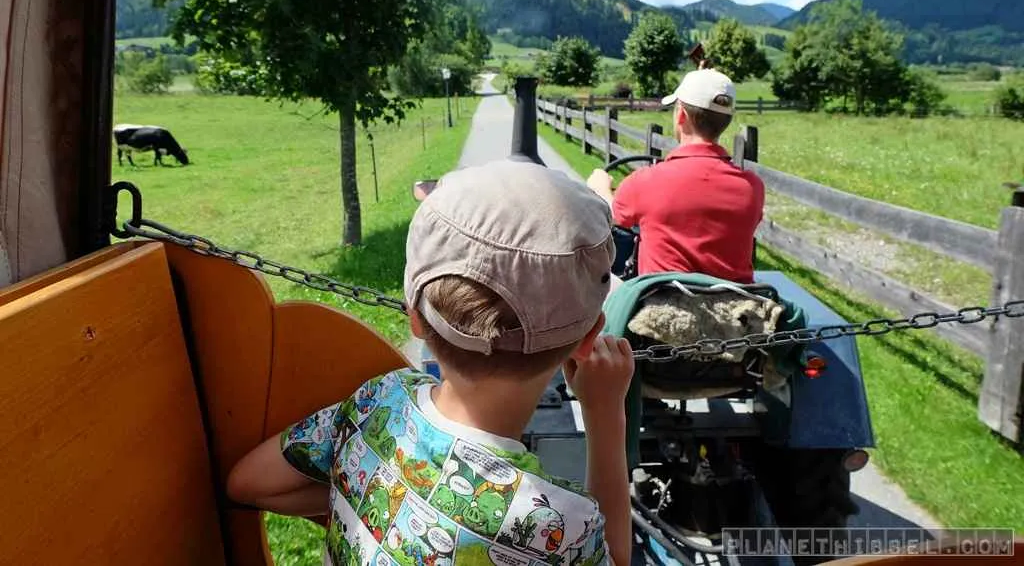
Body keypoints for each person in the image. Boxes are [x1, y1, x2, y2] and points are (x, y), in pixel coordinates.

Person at [226, 160, 635, 566]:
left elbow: (249, 484)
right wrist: (605, 415)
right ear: (588, 337)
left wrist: (377, 499)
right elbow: (615, 558)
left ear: (416, 318)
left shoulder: (379, 404)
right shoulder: (554, 523)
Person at [586, 68, 764, 284]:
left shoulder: (646, 181)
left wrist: (601, 188)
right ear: (725, 121)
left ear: (681, 114)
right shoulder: (752, 187)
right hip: (733, 306)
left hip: (663, 306)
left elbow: (612, 215)